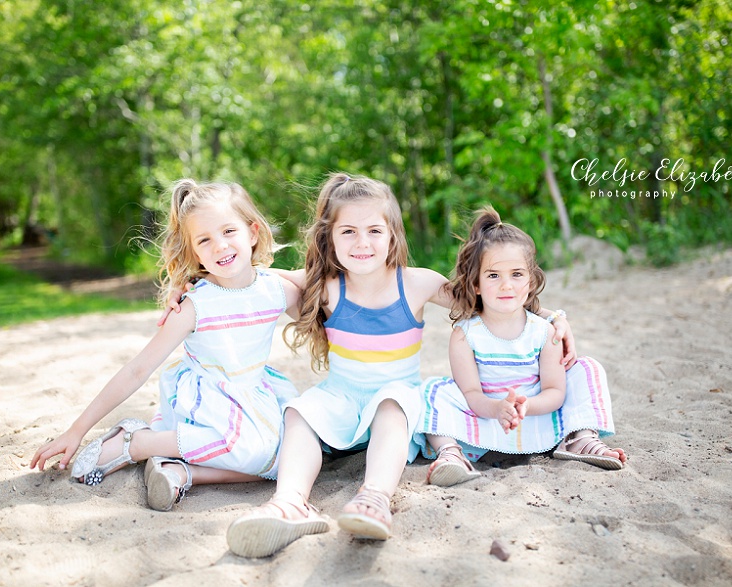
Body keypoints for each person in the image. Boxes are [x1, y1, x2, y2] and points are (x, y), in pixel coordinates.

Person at [221, 174, 575, 558]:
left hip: (398, 400)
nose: (362, 242)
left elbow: (491, 299)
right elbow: (252, 280)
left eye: (374, 230)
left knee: (390, 406)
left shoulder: (417, 284)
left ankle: (373, 497)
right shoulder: (323, 285)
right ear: (329, 237)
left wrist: (556, 317)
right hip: (340, 397)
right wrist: (192, 284)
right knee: (299, 412)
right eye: (349, 231)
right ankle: (290, 503)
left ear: (393, 235)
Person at [29, 179, 302, 512]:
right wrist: (76, 430)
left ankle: (181, 472)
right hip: (208, 397)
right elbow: (137, 369)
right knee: (257, 451)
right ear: (194, 251)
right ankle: (139, 442)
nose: (220, 246)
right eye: (204, 239)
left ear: (253, 232)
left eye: (229, 232)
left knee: (288, 460)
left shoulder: (277, 289)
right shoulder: (195, 305)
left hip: (254, 392)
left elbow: (327, 283)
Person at [414, 207, 627, 488]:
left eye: (516, 274)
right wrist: (497, 408)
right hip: (488, 418)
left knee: (587, 368)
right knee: (433, 390)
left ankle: (581, 439)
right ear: (475, 283)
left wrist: (526, 406)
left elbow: (555, 391)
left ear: (530, 281)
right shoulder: (465, 334)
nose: (506, 285)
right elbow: (471, 394)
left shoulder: (544, 331)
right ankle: (451, 454)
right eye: (493, 276)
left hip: (539, 417)